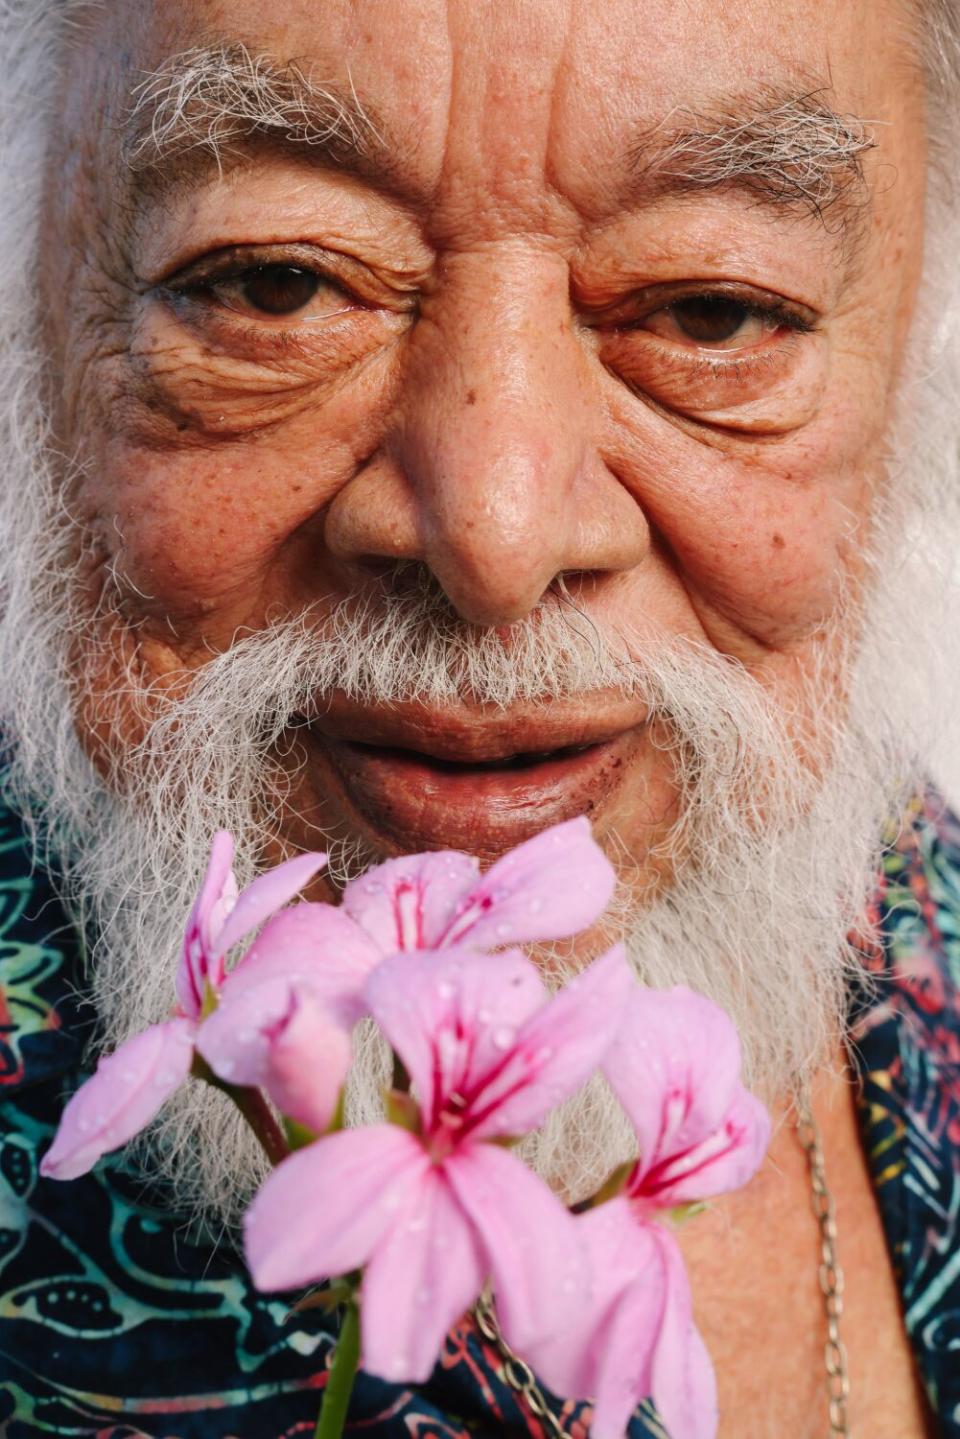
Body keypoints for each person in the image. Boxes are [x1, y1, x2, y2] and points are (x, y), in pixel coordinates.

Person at [0, 0, 958, 1434]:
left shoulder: (918, 911)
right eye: (272, 284)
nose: (498, 538)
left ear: (915, 365)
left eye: (715, 309)